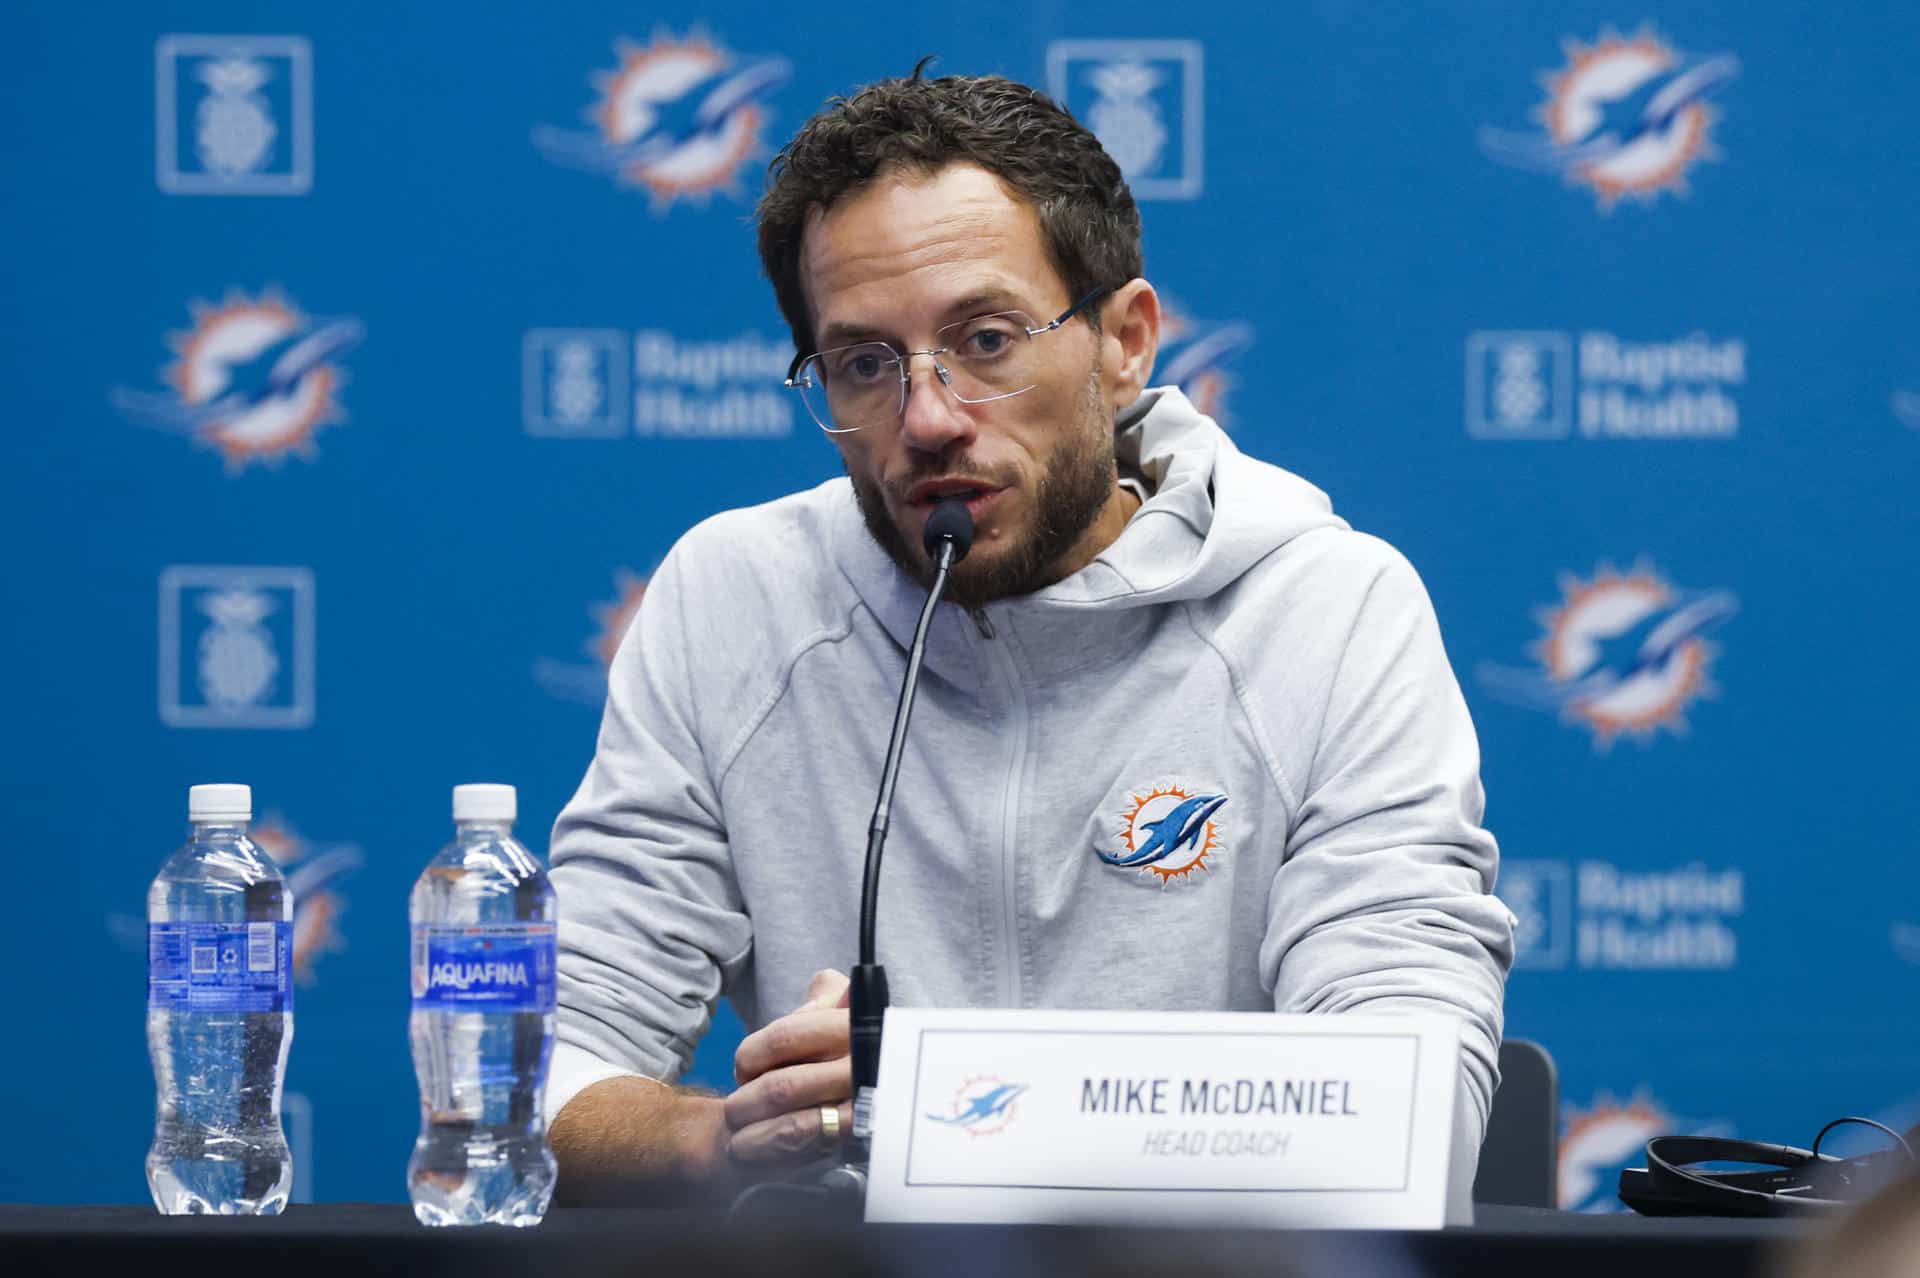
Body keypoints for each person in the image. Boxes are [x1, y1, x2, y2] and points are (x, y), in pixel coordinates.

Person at [545, 66, 1514, 1202]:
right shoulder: (735, 602)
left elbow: (1414, 1116)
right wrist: (717, 1141)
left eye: (988, 340)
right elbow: (532, 1068)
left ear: (1124, 342)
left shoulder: (1330, 613)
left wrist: (947, 1112)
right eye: (864, 364)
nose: (928, 418)